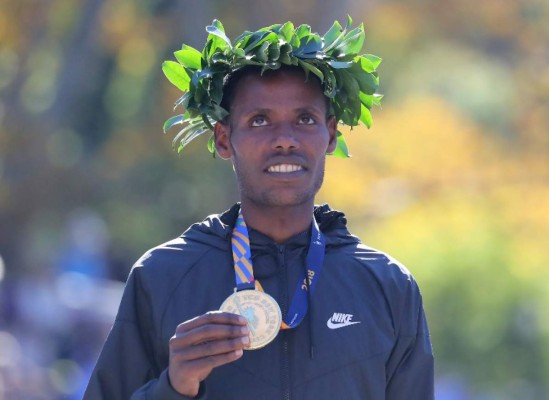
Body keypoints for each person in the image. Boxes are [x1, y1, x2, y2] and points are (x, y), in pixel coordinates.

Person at [84, 19, 434, 400]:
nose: (284, 139)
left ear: (330, 135)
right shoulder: (163, 277)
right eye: (260, 120)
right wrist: (173, 387)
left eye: (305, 119)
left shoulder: (387, 286)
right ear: (223, 138)